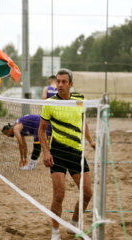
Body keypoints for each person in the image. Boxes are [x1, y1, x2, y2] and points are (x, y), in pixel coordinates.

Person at [38, 69, 96, 240]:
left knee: (87, 193)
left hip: (77, 151)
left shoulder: (79, 99)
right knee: (59, 194)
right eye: (58, 81)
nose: (60, 85)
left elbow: (83, 121)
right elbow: (41, 130)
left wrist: (91, 141)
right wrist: (46, 152)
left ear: (71, 84)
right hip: (57, 152)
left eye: (64, 82)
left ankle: (73, 223)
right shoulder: (49, 102)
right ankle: (55, 232)